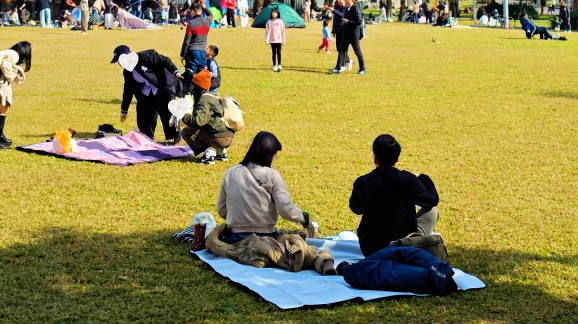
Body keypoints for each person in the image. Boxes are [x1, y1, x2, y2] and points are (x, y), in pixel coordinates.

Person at [207, 132, 335, 275]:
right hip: (267, 237)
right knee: (299, 247)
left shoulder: (230, 173)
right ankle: (322, 260)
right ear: (269, 155)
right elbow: (285, 209)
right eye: (275, 154)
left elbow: (222, 209)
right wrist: (304, 218)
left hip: (235, 239)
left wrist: (240, 219)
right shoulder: (272, 175)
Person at [349, 134, 445, 259]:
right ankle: (421, 239)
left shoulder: (363, 182)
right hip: (404, 246)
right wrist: (422, 177)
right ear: (397, 158)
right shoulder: (408, 180)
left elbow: (356, 209)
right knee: (432, 211)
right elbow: (432, 200)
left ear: (375, 156)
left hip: (371, 249)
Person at [112, 44, 182, 141]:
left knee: (167, 112)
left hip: (163, 87)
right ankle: (147, 138)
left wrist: (176, 72)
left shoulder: (146, 56)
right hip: (146, 93)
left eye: (118, 60)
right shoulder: (127, 72)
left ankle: (174, 137)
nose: (119, 64)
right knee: (143, 114)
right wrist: (124, 110)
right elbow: (128, 90)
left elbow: (165, 60)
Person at [179, 91, 235, 162]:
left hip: (220, 138)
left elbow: (199, 121)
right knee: (206, 128)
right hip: (229, 137)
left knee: (186, 131)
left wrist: (184, 116)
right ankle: (221, 153)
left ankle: (208, 154)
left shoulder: (204, 100)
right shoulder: (215, 98)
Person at [265, 5, 286, 71]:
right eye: (273, 13)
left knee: (279, 52)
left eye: (275, 13)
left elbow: (283, 31)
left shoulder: (280, 21)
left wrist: (283, 40)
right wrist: (267, 40)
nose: (274, 14)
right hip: (272, 40)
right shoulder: (269, 22)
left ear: (277, 14)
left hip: (279, 40)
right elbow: (267, 32)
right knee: (274, 53)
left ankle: (279, 65)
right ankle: (274, 65)